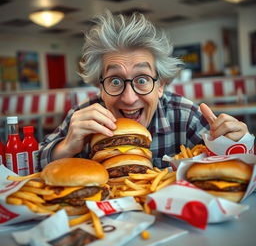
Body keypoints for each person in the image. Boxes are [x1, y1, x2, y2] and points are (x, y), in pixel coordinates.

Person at [39, 11, 248, 169]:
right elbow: (31, 163)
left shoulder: (183, 115)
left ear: (160, 85)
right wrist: (65, 148)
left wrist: (241, 146)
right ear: (99, 87)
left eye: (142, 79)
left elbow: (231, 164)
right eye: (114, 81)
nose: (129, 99)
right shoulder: (83, 117)